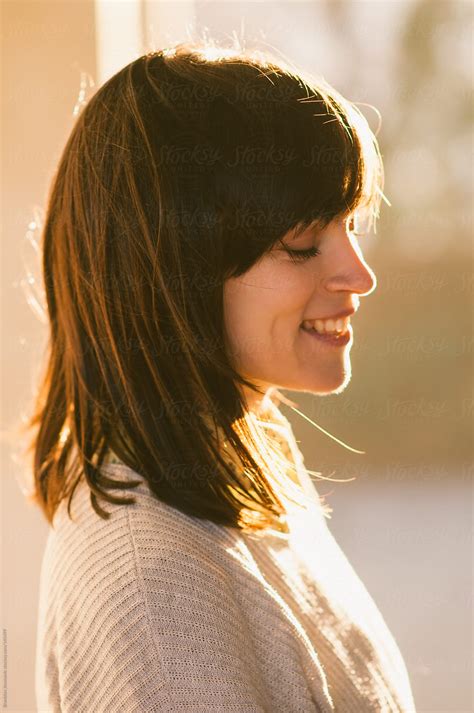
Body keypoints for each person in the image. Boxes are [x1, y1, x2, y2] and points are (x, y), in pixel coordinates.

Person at [27, 41, 417, 711]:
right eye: (303, 241)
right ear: (176, 268)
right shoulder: (157, 597)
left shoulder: (239, 457)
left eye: (350, 224)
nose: (359, 274)